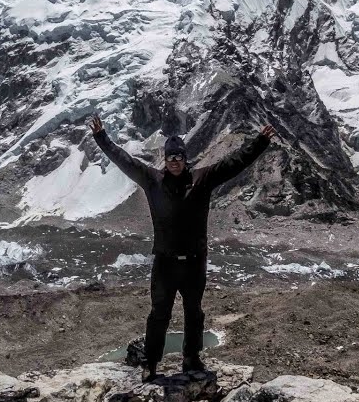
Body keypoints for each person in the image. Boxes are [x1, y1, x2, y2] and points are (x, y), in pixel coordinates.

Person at [90, 115, 275, 381]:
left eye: (179, 158)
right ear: (165, 160)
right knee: (159, 314)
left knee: (194, 312)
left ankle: (192, 359)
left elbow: (234, 163)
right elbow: (124, 160)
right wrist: (101, 137)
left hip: (194, 261)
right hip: (165, 262)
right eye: (170, 158)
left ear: (185, 158)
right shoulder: (152, 179)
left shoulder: (203, 178)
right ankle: (151, 363)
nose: (175, 162)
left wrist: (260, 142)